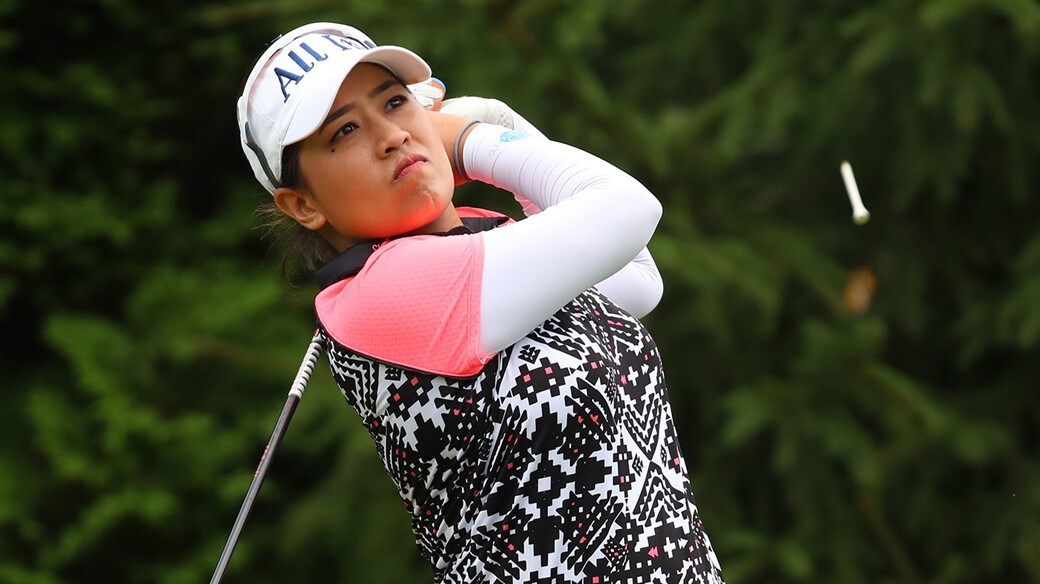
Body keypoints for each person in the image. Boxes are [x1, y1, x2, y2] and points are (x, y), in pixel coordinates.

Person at [237, 21, 724, 584]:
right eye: (344, 132)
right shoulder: (385, 292)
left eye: (395, 103)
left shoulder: (482, 242)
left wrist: (503, 123)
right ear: (302, 204)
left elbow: (636, 277)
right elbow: (627, 208)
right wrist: (473, 141)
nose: (391, 135)